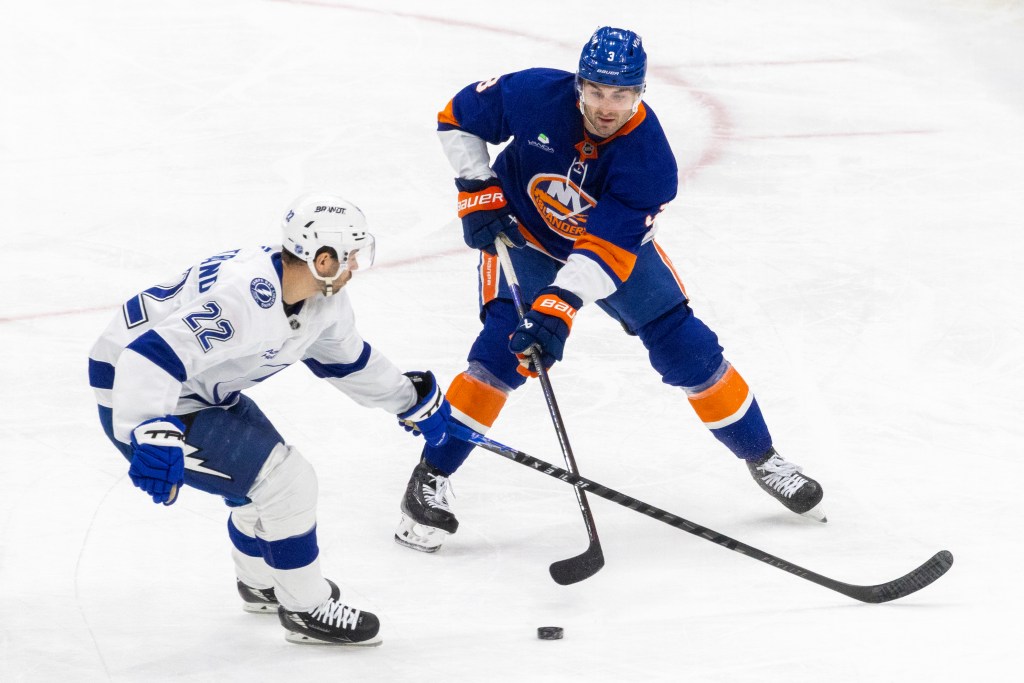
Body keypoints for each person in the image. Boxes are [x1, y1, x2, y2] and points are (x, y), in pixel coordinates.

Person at [394, 27, 825, 554]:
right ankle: (430, 476)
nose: (606, 106)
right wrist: (477, 186)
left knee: (687, 348)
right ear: (579, 83)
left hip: (610, 250)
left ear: (640, 92)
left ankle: (763, 457)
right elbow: (458, 116)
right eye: (596, 90)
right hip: (524, 238)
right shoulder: (533, 94)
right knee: (501, 353)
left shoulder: (649, 160)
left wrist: (559, 306)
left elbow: (605, 251)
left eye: (621, 94)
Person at [88, 193, 452, 646]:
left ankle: (262, 583)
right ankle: (305, 609)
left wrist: (408, 399)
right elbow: (147, 357)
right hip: (136, 390)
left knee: (259, 488)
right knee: (287, 482)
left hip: (197, 390)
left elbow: (348, 362)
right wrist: (151, 428)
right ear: (323, 259)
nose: (356, 265)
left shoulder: (320, 300)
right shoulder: (245, 297)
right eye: (350, 255)